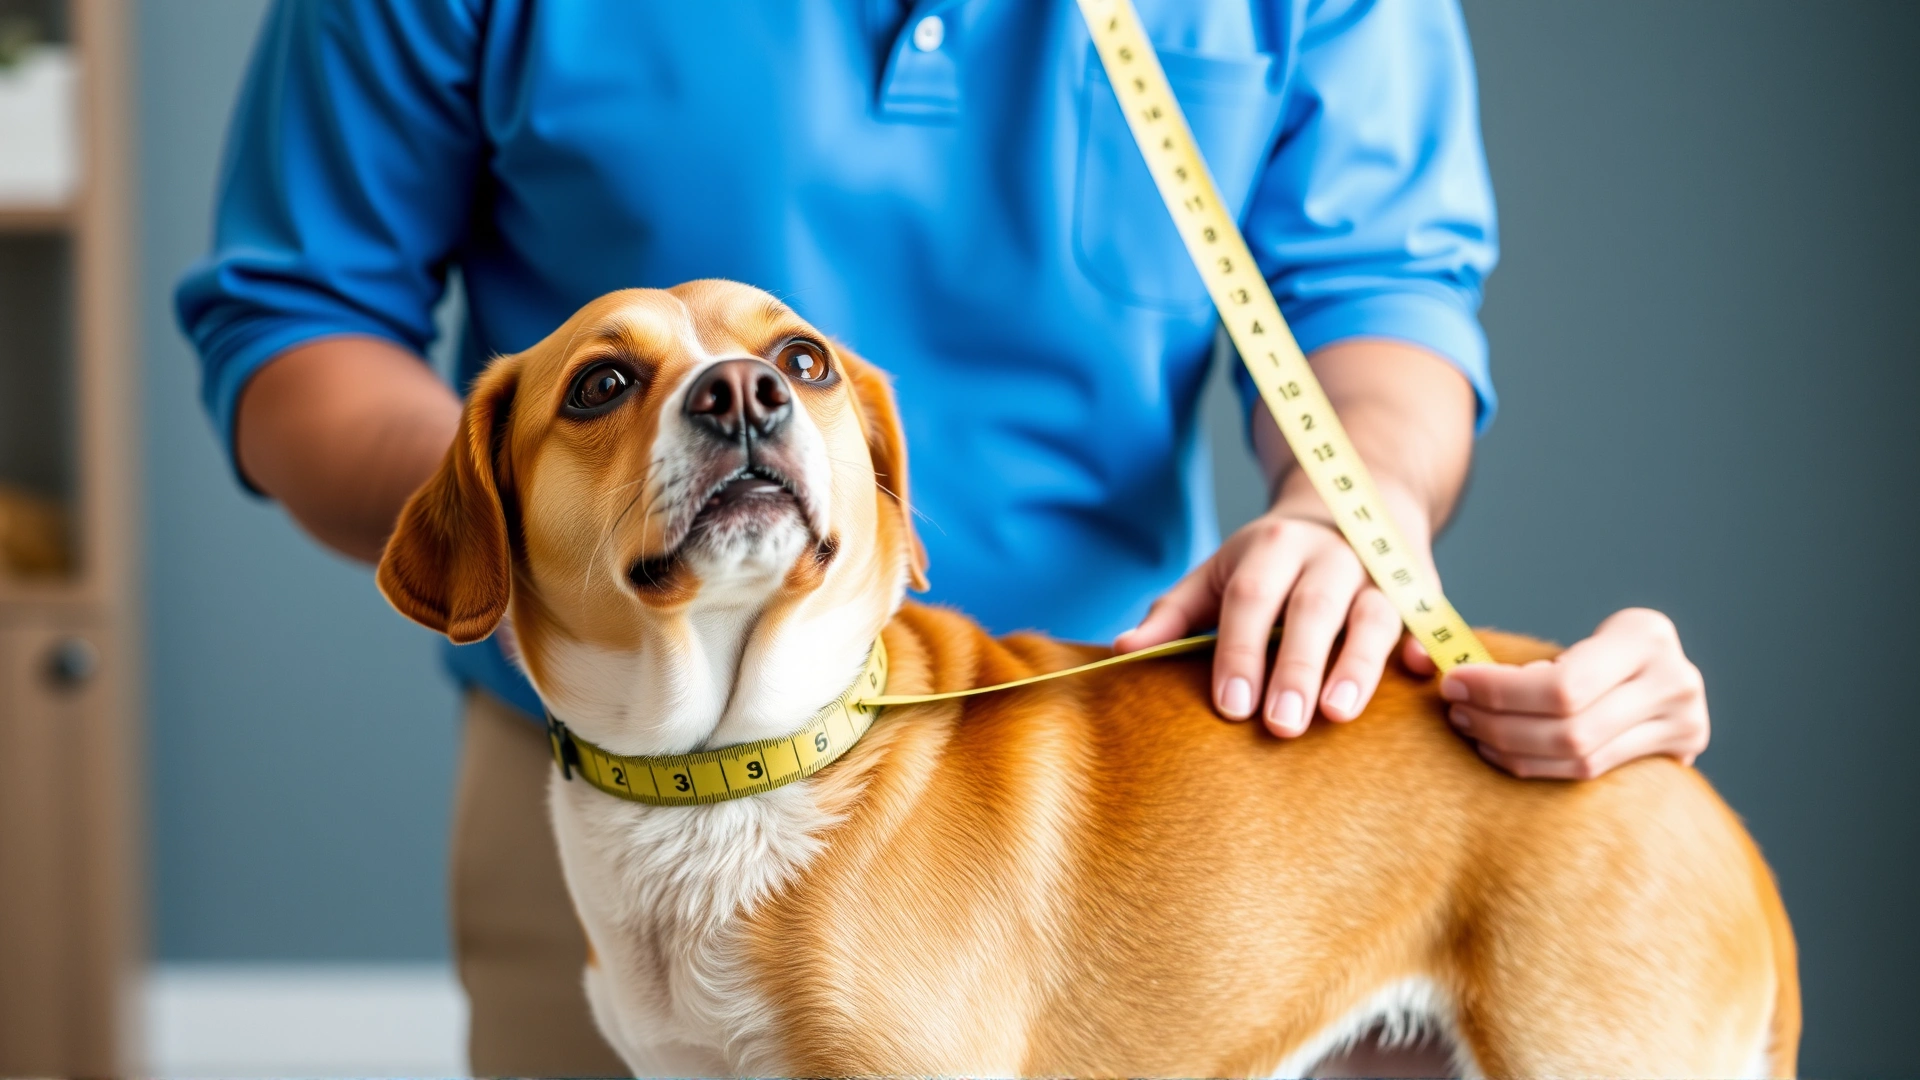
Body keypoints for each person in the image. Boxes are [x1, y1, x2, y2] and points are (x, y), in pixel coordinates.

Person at [178, 2, 1709, 1073]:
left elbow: (1385, 291)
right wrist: (509, 510)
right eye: (616, 386)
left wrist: (1344, 508)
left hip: (1171, 804)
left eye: (789, 382)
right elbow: (297, 310)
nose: (739, 407)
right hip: (584, 782)